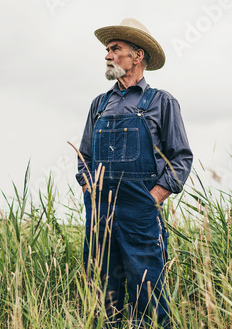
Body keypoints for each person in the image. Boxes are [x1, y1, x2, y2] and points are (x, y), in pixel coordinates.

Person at [76, 18, 193, 328]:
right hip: (100, 213)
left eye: (115, 49)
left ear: (137, 56)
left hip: (141, 212)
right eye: (107, 49)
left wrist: (152, 199)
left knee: (148, 290)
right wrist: (91, 193)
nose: (107, 55)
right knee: (103, 293)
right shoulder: (98, 105)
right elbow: (83, 158)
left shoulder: (161, 102)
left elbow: (180, 160)